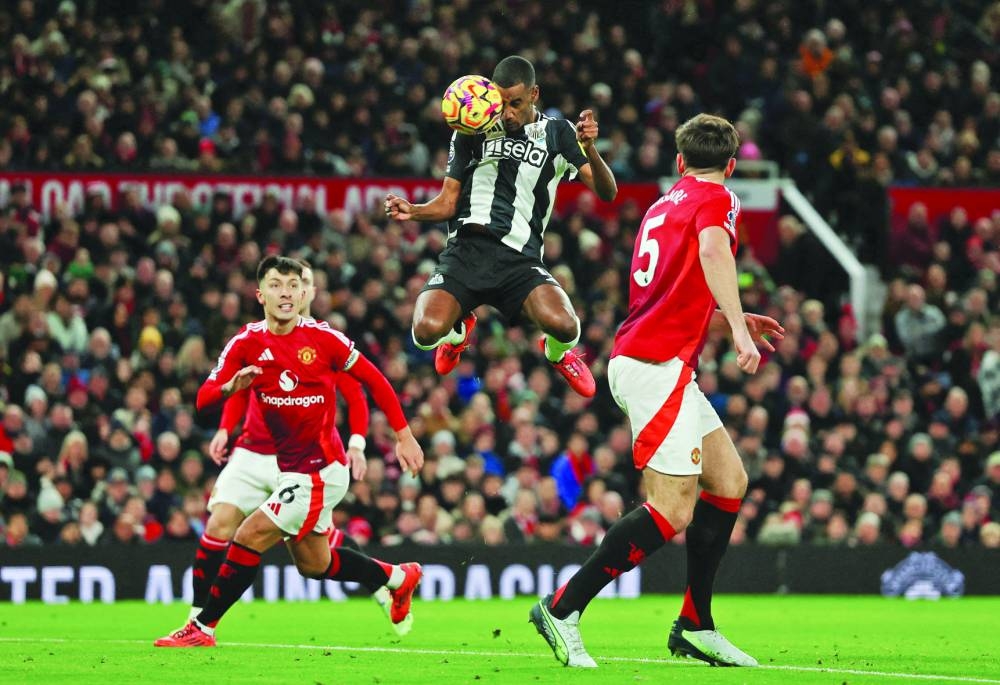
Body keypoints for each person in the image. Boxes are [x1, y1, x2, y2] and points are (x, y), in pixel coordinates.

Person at [530, 114, 783, 668]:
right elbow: (716, 255)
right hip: (655, 366)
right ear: (732, 165)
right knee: (671, 510)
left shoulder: (662, 204)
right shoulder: (717, 200)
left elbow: (670, 297)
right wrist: (738, 328)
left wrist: (731, 319)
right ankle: (562, 608)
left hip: (655, 359)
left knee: (729, 482)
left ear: (679, 162)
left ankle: (695, 624)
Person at [154, 256, 424, 647]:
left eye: (293, 286)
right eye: (277, 285)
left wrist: (403, 436)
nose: (286, 293)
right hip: (287, 468)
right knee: (314, 564)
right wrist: (233, 387)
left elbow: (373, 381)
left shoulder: (325, 339)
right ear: (260, 294)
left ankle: (202, 627)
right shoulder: (246, 342)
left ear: (303, 293)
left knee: (249, 534)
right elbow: (202, 399)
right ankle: (398, 578)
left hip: (321, 470)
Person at [385, 55, 618, 398]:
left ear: (535, 94)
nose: (506, 112)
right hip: (466, 252)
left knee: (567, 328)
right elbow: (448, 202)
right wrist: (414, 211)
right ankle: (457, 334)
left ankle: (557, 355)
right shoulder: (472, 128)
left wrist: (591, 150)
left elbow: (607, 192)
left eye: (516, 103)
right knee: (423, 334)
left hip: (519, 260)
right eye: (501, 102)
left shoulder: (558, 133)